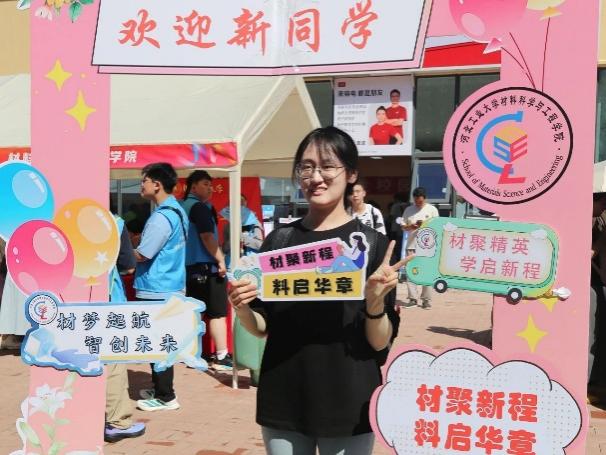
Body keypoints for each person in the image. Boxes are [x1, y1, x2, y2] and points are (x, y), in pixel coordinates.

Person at [228, 126, 410, 455]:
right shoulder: (279, 242)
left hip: (349, 400)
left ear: (351, 174)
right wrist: (242, 307)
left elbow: (379, 342)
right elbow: (263, 326)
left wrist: (374, 303)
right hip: (285, 395)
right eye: (306, 167)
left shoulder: (372, 246)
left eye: (327, 166)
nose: (315, 177)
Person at [134, 162, 188, 412]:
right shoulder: (177, 211)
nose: (141, 185)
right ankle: (160, 389)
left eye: (144, 180)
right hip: (170, 285)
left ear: (156, 185)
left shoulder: (160, 217)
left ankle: (166, 396)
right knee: (162, 340)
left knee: (158, 342)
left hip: (157, 287)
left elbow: (144, 254)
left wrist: (122, 251)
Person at [180, 170, 232, 371]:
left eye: (211, 185)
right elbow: (207, 237)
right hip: (206, 268)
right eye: (205, 184)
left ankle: (192, 354)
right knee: (217, 312)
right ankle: (221, 356)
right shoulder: (199, 208)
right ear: (193, 187)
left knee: (195, 313)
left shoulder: (181, 207)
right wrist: (220, 260)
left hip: (188, 268)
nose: (210, 188)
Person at [104, 214, 146, 442]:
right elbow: (128, 266)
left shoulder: (59, 214)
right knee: (113, 361)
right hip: (107, 299)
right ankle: (117, 421)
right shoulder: (114, 222)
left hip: (68, 304)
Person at [401, 187, 439, 309]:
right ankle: (412, 299)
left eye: (420, 201)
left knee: (427, 272)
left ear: (425, 199)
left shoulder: (432, 210)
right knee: (410, 272)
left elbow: (437, 226)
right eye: (416, 201)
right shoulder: (408, 210)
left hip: (427, 246)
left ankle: (426, 300)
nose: (418, 203)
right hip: (411, 245)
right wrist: (411, 226)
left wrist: (425, 225)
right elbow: (403, 226)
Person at [221, 194, 264, 268]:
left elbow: (260, 245)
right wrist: (232, 241)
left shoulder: (254, 223)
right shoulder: (228, 225)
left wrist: (242, 238)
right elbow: (224, 249)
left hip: (250, 265)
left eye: (242, 202)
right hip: (232, 265)